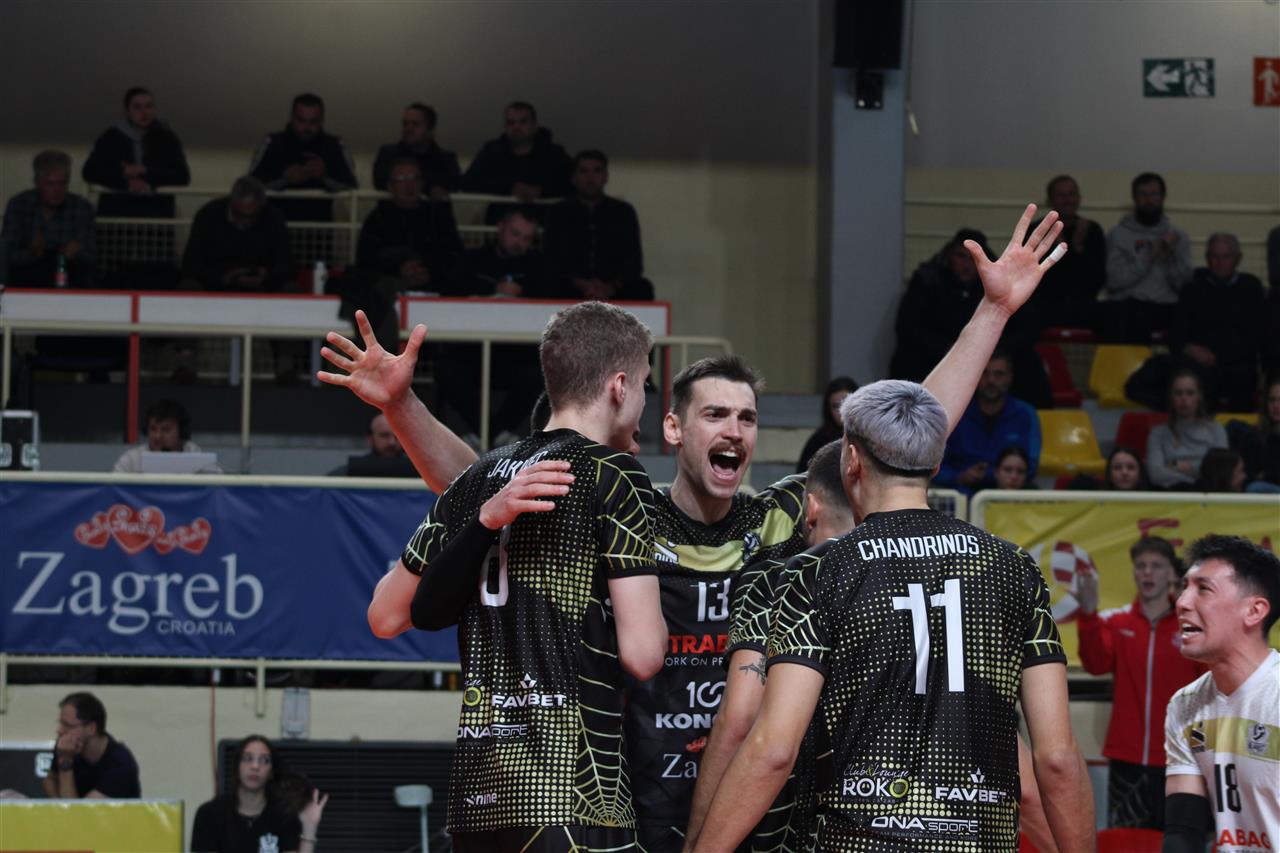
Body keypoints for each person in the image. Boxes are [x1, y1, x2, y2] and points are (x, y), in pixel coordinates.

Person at [323, 204, 1072, 853]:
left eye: (747, 417)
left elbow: (899, 441)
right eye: (716, 413)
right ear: (674, 427)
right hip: (620, 796)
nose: (735, 430)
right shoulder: (622, 504)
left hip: (745, 803)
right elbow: (492, 485)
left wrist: (992, 312)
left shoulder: (781, 519)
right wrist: (403, 408)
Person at [689, 382, 1094, 852]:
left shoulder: (817, 572)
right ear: (936, 464)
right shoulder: (1014, 568)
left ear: (851, 460)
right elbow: (1058, 759)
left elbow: (774, 749)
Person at [358, 301, 666, 852]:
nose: (645, 399)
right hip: (571, 795)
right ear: (620, 386)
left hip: (480, 797)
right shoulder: (616, 473)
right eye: (645, 384)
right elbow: (644, 654)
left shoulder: (478, 477)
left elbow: (385, 615)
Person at [685, 439, 854, 852]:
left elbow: (740, 720)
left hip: (794, 827)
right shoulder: (926, 581)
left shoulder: (776, 580)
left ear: (810, 508)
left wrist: (696, 844)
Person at [1162, 535, 1279, 853]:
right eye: (1184, 587)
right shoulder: (1185, 704)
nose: (1182, 602)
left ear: (1254, 611)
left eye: (1203, 589)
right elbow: (1183, 832)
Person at [1076, 537, 1203, 829]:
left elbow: (1209, 679)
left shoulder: (1190, 625)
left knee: (1180, 841)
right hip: (1127, 758)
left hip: (1180, 757)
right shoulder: (1118, 622)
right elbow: (1096, 665)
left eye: (1156, 566)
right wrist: (1088, 615)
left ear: (1171, 574)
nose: (1147, 573)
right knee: (1125, 843)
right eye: (1141, 566)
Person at [436, 208, 548, 446]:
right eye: (515, 234)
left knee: (540, 371)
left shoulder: (539, 265)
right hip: (472, 350)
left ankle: (490, 433)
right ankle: (496, 434)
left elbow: (551, 303)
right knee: (447, 369)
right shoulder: (472, 259)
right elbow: (450, 295)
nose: (519, 243)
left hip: (518, 353)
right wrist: (492, 292)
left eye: (526, 238)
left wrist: (523, 296)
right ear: (500, 228)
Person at [352, 158, 462, 348]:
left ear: (422, 183)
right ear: (390, 186)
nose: (409, 185)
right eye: (401, 179)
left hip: (436, 287)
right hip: (388, 291)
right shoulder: (378, 218)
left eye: (414, 178)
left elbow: (455, 256)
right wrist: (400, 269)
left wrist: (428, 271)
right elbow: (365, 260)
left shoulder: (439, 216)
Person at [1168, 233, 1266, 413]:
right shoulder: (1192, 289)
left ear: (1238, 259)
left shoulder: (1251, 287)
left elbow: (1258, 334)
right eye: (1214, 256)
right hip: (1200, 367)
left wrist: (1220, 356)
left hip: (1239, 365)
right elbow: (1176, 335)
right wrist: (1190, 348)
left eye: (1226, 256)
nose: (1219, 262)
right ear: (1207, 259)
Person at [543, 150, 653, 301]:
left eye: (596, 171)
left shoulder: (623, 212)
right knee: (546, 285)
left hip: (614, 287)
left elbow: (634, 262)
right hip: (570, 286)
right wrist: (581, 284)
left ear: (606, 177)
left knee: (643, 288)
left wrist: (610, 287)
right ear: (573, 178)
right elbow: (551, 259)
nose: (590, 178)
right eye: (583, 171)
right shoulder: (558, 212)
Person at [191, 734, 328, 853]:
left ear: (271, 771)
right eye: (247, 758)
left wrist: (309, 828)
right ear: (237, 766)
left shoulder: (284, 816)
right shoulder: (209, 814)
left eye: (264, 760)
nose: (255, 766)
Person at [933, 349, 1041, 495]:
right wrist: (958, 477)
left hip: (1010, 495)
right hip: (959, 494)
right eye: (984, 373)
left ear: (1010, 378)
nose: (991, 380)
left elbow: (1031, 465)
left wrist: (991, 475)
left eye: (998, 374)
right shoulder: (954, 412)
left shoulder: (1026, 414)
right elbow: (932, 463)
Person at [1101, 172, 1192, 342]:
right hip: (1128, 305)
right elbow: (1113, 281)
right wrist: (1150, 255)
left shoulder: (1178, 237)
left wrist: (1170, 256)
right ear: (1135, 198)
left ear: (1162, 197)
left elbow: (1184, 286)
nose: (1149, 200)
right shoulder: (1118, 234)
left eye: (1154, 194)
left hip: (1166, 305)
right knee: (1118, 315)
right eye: (1143, 194)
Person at [82, 86, 190, 218]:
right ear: (127, 111)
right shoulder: (111, 137)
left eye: (148, 106)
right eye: (138, 107)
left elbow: (183, 176)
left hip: (156, 217)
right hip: (117, 216)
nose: (145, 112)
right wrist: (124, 175)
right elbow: (89, 171)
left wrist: (145, 171)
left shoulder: (167, 138)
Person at [249, 93, 357, 223]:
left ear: (321, 120)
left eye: (313, 122)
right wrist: (284, 179)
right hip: (277, 226)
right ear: (292, 118)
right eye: (301, 120)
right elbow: (251, 185)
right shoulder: (272, 143)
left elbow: (352, 187)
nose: (307, 127)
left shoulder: (334, 145)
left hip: (319, 228)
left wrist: (324, 177)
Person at [181, 176, 294, 292]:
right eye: (240, 214)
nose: (246, 220)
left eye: (252, 215)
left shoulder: (274, 217)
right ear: (231, 201)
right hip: (217, 284)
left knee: (292, 289)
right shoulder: (208, 215)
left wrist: (267, 275)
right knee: (189, 286)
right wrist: (223, 276)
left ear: (261, 205)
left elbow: (287, 263)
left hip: (264, 285)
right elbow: (191, 264)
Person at [461, 101, 572, 219]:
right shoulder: (492, 151)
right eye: (511, 122)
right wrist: (509, 188)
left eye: (523, 122)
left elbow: (572, 183)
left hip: (543, 223)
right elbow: (468, 182)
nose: (516, 127)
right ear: (505, 126)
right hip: (500, 223)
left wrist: (541, 191)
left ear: (534, 125)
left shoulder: (554, 153)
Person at [2, 150, 96, 287]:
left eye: (63, 183)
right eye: (50, 184)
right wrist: (31, 253)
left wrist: (73, 253)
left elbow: (91, 256)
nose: (57, 190)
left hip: (70, 277)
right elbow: (7, 255)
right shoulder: (19, 205)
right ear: (37, 183)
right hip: (26, 278)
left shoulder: (81, 207)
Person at [1029, 175, 1106, 330]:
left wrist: (1078, 247)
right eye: (1061, 195)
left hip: (1083, 305)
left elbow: (1098, 278)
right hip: (1045, 306)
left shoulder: (1092, 229)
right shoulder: (1038, 231)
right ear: (1050, 200)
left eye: (1072, 194)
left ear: (1079, 198)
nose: (1067, 200)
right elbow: (1035, 278)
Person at [40, 692, 140, 799]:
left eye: (68, 726)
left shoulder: (120, 764)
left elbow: (77, 809)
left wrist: (65, 761)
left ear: (92, 728)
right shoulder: (67, 746)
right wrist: (56, 802)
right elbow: (49, 780)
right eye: (60, 723)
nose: (59, 730)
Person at [1146, 369, 1228, 489]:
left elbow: (1220, 472)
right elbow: (1155, 473)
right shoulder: (1157, 433)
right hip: (1171, 493)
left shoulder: (1216, 430)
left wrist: (1172, 464)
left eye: (1190, 393)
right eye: (1178, 393)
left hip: (1208, 494)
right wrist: (1196, 477)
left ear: (1199, 397)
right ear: (1171, 398)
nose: (1184, 398)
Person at [371, 102, 461, 196]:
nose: (408, 128)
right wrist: (429, 188)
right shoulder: (388, 154)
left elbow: (454, 185)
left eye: (415, 124)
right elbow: (381, 182)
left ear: (430, 130)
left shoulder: (446, 159)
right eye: (405, 124)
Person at [112, 398, 221, 473]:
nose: (157, 436)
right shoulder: (131, 460)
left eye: (166, 430)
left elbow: (218, 488)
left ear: (181, 431)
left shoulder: (196, 455)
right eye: (153, 429)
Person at [796, 376, 859, 472]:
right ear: (828, 410)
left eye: (846, 403)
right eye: (835, 406)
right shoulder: (818, 441)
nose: (841, 410)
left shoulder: (870, 437)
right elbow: (803, 476)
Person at [328, 413, 415, 477]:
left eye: (398, 436)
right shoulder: (348, 472)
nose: (392, 442)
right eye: (384, 435)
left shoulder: (419, 471)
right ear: (370, 439)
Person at [1240, 374, 1280, 492]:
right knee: (1255, 487)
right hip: (1266, 492)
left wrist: (1266, 475)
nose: (1276, 405)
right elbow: (1248, 476)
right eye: (1272, 400)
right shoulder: (1253, 436)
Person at [1068, 445, 1155, 492]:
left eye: (1131, 467)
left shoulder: (1157, 497)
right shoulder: (1092, 493)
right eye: (1117, 468)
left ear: (1140, 472)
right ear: (1109, 473)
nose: (1124, 472)